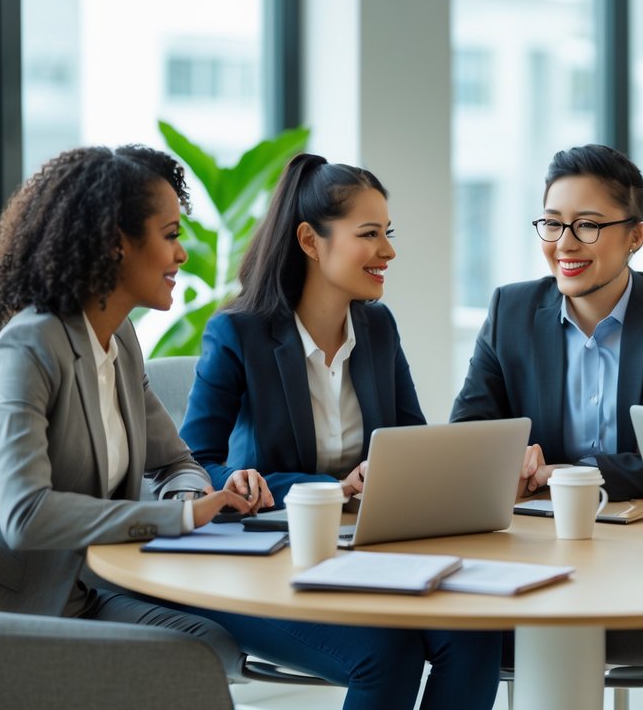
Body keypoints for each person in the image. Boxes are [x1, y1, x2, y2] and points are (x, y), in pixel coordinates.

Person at [178, 153, 502, 710]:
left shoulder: (377, 327)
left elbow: (412, 443)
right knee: (386, 655)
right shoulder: (239, 333)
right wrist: (321, 489)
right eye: (369, 234)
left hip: (365, 554)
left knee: (476, 637)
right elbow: (192, 463)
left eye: (388, 233)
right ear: (310, 240)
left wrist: (414, 472)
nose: (389, 251)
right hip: (271, 561)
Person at [0, 145, 260, 677]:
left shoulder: (120, 339)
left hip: (77, 594)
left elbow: (176, 459)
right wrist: (179, 518)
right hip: (0, 615)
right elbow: (26, 516)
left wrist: (195, 496)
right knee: (196, 661)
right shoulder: (29, 347)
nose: (182, 255)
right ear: (117, 244)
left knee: (215, 646)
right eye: (171, 235)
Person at [450, 143, 643, 502]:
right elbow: (465, 436)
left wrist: (579, 475)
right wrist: (508, 461)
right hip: (537, 530)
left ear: (636, 236)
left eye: (587, 225)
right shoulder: (510, 312)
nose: (564, 244)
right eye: (553, 223)